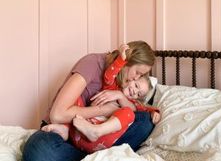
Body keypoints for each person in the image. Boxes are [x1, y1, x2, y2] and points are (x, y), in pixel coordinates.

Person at [22, 40, 156, 161]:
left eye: (141, 76)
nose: (136, 78)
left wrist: (121, 97)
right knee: (37, 151)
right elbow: (58, 115)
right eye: (138, 72)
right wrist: (105, 109)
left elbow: (135, 108)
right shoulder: (93, 63)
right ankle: (94, 156)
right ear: (128, 60)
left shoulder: (126, 85)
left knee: (145, 121)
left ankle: (94, 153)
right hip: (65, 131)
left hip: (95, 139)